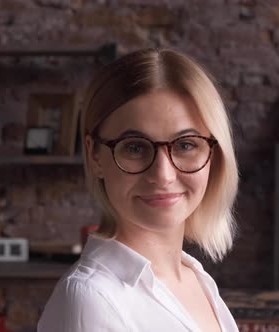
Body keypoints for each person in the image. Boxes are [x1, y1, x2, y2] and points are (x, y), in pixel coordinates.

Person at [37, 48, 240, 332]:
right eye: (134, 147)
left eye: (185, 145)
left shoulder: (195, 277)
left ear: (214, 152)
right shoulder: (89, 300)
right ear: (95, 156)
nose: (163, 175)